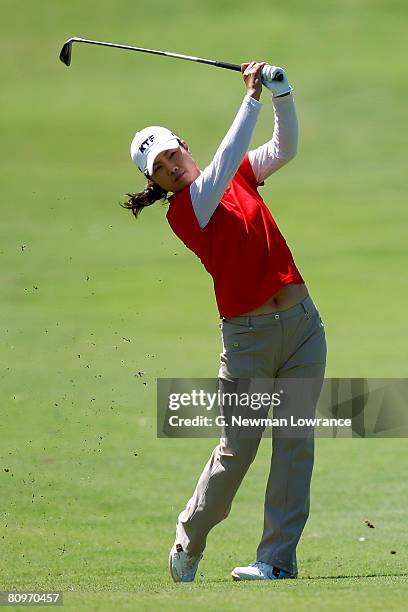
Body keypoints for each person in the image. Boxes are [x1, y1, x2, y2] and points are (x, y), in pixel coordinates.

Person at [124, 61, 327, 582]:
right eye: (159, 168)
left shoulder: (231, 174)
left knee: (295, 444)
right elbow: (227, 158)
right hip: (249, 340)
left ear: (183, 147)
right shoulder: (188, 210)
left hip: (303, 326)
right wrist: (252, 97)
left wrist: (282, 94)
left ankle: (276, 561)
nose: (170, 166)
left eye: (172, 153)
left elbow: (285, 150)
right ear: (156, 183)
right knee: (237, 451)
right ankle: (189, 539)